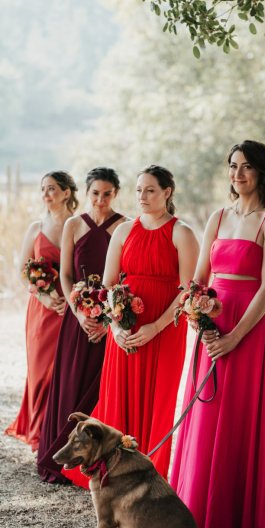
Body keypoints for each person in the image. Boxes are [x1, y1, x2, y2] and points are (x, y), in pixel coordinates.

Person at [170, 140, 265, 528]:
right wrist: (199, 321)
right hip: (211, 328)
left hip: (249, 332)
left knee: (239, 418)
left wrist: (235, 338)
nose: (237, 174)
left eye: (246, 167)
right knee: (205, 418)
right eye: (232, 167)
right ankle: (195, 516)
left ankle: (234, 521)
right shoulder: (217, 218)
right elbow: (199, 279)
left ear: (262, 172)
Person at [64, 165, 199, 488]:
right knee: (118, 396)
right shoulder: (124, 231)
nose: (143, 196)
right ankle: (109, 470)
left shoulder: (182, 233)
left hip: (164, 330)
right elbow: (108, 286)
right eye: (139, 190)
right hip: (124, 329)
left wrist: (155, 327)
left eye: (150, 190)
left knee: (158, 398)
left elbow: (187, 290)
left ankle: (147, 472)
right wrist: (116, 328)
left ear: (167, 192)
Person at [37, 167, 127, 483]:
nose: (100, 200)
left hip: (109, 322)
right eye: (95, 193)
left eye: (107, 194)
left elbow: (124, 279)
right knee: (71, 384)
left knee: (101, 387)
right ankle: (60, 458)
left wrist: (107, 319)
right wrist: (78, 313)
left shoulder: (125, 226)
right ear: (86, 193)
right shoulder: (74, 224)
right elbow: (65, 275)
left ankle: (96, 462)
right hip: (77, 321)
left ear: (115, 194)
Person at [5, 172, 78, 451]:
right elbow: (23, 272)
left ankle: (58, 430)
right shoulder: (36, 228)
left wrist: (74, 299)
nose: (46, 195)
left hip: (72, 306)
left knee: (64, 368)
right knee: (39, 369)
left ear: (67, 193)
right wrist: (44, 296)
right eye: (43, 189)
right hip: (42, 308)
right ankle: (37, 431)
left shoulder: (78, 225)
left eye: (51, 189)